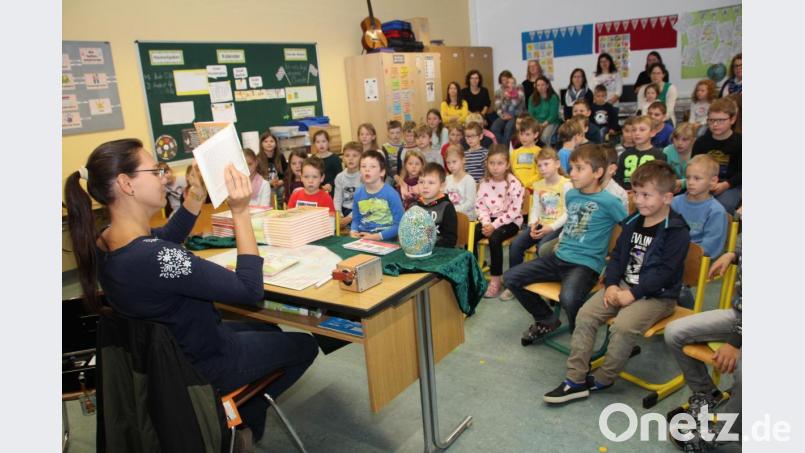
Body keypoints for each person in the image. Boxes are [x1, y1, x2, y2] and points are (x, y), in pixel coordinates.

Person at [64, 138, 318, 444]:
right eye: (155, 170)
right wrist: (240, 212)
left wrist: (196, 195)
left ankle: (242, 423)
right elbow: (250, 290)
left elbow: (167, 236)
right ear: (126, 184)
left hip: (170, 357)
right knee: (305, 345)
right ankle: (234, 421)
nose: (165, 176)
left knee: (270, 328)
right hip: (201, 366)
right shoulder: (157, 257)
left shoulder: (106, 240)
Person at [543, 160, 688, 404]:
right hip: (620, 287)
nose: (639, 200)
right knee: (586, 315)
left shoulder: (676, 230)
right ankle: (575, 379)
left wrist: (633, 294)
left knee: (622, 326)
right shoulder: (632, 222)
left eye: (646, 195)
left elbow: (665, 272)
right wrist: (610, 284)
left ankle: (605, 376)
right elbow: (618, 256)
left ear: (667, 198)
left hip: (657, 296)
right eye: (636, 193)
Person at [503, 144, 627, 340]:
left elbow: (628, 228)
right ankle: (546, 319)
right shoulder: (572, 195)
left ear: (597, 172)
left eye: (579, 169)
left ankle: (581, 334)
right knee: (511, 277)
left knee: (568, 298)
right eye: (571, 168)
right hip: (559, 258)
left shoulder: (610, 202)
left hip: (585, 265)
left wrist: (615, 262)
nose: (572, 174)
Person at [664, 232, 742, 450]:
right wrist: (732, 254)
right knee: (675, 332)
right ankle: (707, 394)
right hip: (740, 314)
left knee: (744, 375)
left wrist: (735, 342)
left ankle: (723, 434)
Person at [501, 148, 572, 301]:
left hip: (557, 227)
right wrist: (532, 225)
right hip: (540, 224)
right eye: (539, 166)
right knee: (516, 245)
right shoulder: (538, 185)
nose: (542, 168)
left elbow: (568, 213)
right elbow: (535, 208)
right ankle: (514, 284)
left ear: (557, 164)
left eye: (546, 164)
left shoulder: (566, 184)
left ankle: (545, 283)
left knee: (543, 248)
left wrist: (550, 228)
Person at [474, 144, 525, 298]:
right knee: (470, 234)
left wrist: (493, 226)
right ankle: (474, 273)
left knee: (494, 238)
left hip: (510, 221)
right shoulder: (484, 182)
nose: (495, 167)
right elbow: (479, 206)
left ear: (507, 164)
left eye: (500, 163)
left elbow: (514, 211)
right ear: (487, 164)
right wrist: (485, 223)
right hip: (489, 220)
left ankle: (495, 279)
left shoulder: (514, 183)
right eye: (492, 163)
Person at [671, 154, 728, 258]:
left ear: (713, 181)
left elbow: (710, 247)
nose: (690, 182)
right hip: (672, 254)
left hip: (697, 260)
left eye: (697, 178)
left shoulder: (716, 211)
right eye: (688, 178)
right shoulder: (674, 202)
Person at [691, 98, 741, 214]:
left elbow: (742, 173)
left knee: (722, 207)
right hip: (703, 183)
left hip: (731, 185)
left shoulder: (740, 142)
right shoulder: (701, 142)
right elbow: (693, 167)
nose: (715, 124)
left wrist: (725, 184)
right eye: (711, 120)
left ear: (732, 119)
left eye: (721, 120)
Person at [350, 150, 405, 240]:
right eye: (363, 166)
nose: (367, 169)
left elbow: (399, 224)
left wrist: (377, 237)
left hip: (386, 240)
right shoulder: (358, 194)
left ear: (382, 172)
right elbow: (356, 220)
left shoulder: (391, 194)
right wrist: (353, 231)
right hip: (363, 238)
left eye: (372, 166)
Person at [615, 115, 666, 190]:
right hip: (626, 194)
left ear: (652, 133)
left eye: (642, 130)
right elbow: (619, 179)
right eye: (634, 130)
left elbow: (660, 181)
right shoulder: (624, 155)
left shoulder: (659, 156)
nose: (637, 133)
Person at [415, 163, 458, 248]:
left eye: (431, 183)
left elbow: (451, 239)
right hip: (417, 250)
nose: (425, 186)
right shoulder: (414, 206)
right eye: (421, 182)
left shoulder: (447, 207)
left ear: (442, 186)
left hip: (440, 252)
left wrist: (428, 246)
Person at [491, 70, 525, 146]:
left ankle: (505, 150)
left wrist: (507, 97)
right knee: (494, 128)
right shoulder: (498, 92)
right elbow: (497, 107)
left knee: (509, 128)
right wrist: (502, 115)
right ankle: (501, 147)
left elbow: (518, 102)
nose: (505, 82)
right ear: (500, 81)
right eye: (503, 80)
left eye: (507, 79)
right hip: (504, 115)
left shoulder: (519, 87)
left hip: (517, 114)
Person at [334, 142, 363, 229]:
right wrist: (339, 214)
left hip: (360, 211)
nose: (350, 159)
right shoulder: (340, 177)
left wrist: (350, 217)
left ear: (361, 158)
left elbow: (364, 202)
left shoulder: (363, 176)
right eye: (347, 155)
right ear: (343, 158)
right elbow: (337, 199)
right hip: (344, 210)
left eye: (354, 156)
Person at [443, 145, 477, 221]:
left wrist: (452, 210)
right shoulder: (447, 179)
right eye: (448, 163)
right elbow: (445, 199)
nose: (451, 166)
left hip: (467, 219)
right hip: (452, 217)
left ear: (463, 160)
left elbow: (470, 203)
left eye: (454, 162)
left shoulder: (469, 180)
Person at [663, 122, 698, 193]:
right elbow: (663, 174)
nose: (679, 143)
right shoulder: (667, 151)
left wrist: (681, 184)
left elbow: (699, 177)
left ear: (693, 140)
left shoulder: (698, 153)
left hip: (694, 188)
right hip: (671, 186)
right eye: (676, 139)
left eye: (684, 140)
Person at [510, 116, 543, 188]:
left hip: (532, 190)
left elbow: (540, 174)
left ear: (536, 135)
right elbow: (511, 171)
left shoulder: (539, 152)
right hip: (516, 188)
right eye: (521, 134)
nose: (523, 137)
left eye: (527, 134)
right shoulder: (515, 153)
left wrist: (525, 184)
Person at [527, 76, 561, 145]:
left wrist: (542, 125)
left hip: (551, 122)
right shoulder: (532, 98)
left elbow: (553, 115)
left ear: (547, 85)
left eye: (543, 85)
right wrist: (537, 124)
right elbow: (531, 114)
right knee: (531, 136)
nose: (540, 87)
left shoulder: (553, 97)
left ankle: (547, 154)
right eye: (538, 85)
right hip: (536, 123)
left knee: (544, 137)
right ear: (535, 87)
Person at [256, 131, 287, 202]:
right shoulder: (258, 159)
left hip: (279, 186)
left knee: (282, 190)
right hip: (265, 187)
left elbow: (286, 173)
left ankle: (281, 209)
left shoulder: (280, 157)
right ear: (261, 144)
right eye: (265, 141)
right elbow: (257, 178)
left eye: (271, 141)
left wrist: (280, 182)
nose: (269, 143)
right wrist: (269, 183)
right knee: (270, 193)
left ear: (276, 144)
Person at [310, 130, 342, 194]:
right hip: (316, 191)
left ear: (328, 142)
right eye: (318, 142)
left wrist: (331, 184)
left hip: (332, 190)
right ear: (314, 144)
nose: (321, 144)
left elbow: (340, 176)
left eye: (323, 141)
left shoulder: (335, 158)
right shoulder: (312, 159)